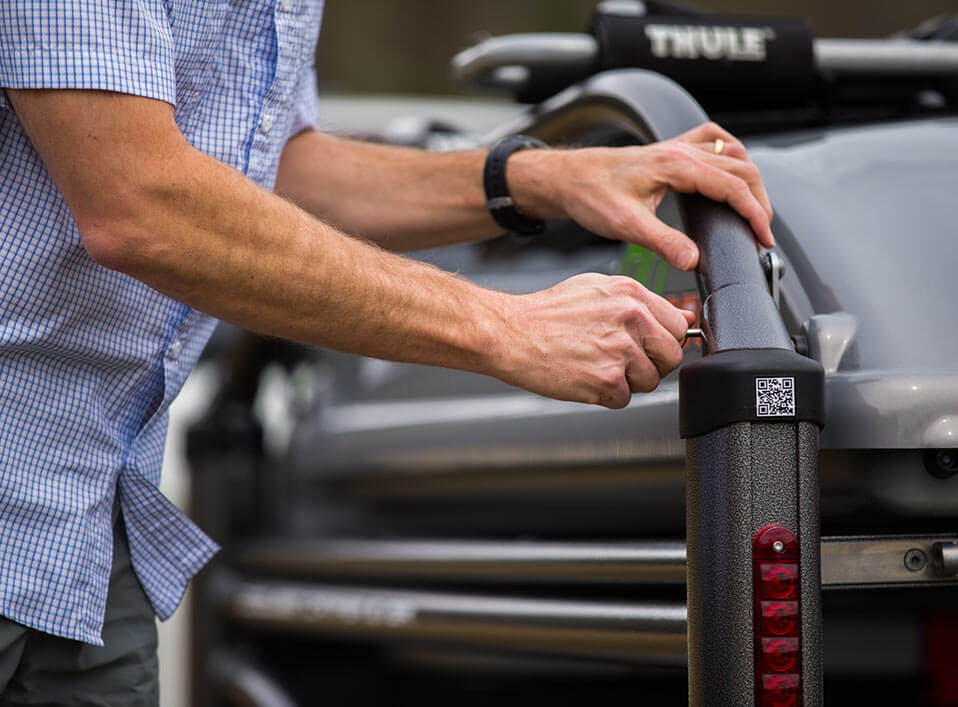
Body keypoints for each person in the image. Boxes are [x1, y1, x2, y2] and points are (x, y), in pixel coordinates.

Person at [0, 1, 772, 703]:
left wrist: (540, 177)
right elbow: (140, 201)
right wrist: (505, 327)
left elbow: (268, 169)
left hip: (90, 521)